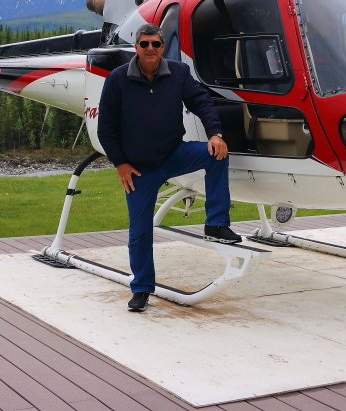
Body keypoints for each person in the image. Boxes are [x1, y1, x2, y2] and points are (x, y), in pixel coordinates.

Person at [98, 22, 241, 312]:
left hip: (173, 153)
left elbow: (202, 101)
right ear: (136, 48)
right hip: (139, 169)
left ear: (162, 47)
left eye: (156, 44)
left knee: (215, 154)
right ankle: (140, 289)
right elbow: (106, 128)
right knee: (139, 232)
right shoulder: (117, 79)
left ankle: (216, 223)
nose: (150, 49)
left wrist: (215, 133)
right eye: (144, 44)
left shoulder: (178, 72)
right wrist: (121, 164)